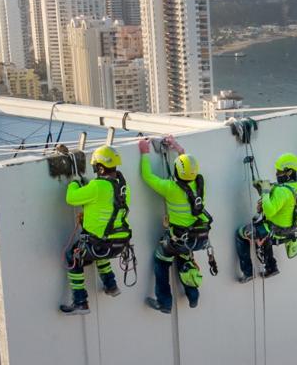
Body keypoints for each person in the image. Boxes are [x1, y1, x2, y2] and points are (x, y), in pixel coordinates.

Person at [138, 135, 212, 314]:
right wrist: (178, 148)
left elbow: (147, 176)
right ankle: (193, 296)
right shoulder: (200, 183)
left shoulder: (170, 188)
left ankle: (164, 302)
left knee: (161, 261)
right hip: (197, 237)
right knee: (185, 261)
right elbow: (188, 168)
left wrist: (145, 153)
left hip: (178, 238)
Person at [60, 146, 131, 315]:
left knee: (73, 257)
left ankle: (80, 302)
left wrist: (75, 183)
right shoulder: (123, 187)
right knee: (100, 252)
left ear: (100, 167)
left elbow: (71, 198)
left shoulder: (97, 186)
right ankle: (111, 286)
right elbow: (103, 207)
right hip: (119, 242)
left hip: (101, 242)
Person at [236, 153, 297, 281]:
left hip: (274, 229)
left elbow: (269, 210)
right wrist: (268, 187)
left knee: (241, 233)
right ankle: (271, 267)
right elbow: (284, 194)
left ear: (289, 172)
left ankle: (248, 272)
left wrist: (266, 192)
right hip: (290, 228)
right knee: (263, 231)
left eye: (279, 171)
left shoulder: (281, 191)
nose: (277, 174)